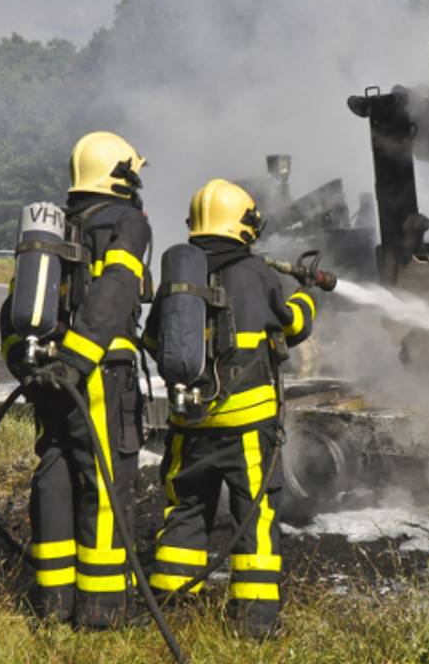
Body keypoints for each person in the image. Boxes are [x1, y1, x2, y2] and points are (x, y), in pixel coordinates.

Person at [143, 178, 318, 639]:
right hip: (246, 429)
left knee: (185, 508)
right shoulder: (258, 273)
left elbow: (152, 340)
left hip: (189, 424)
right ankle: (255, 621)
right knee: (253, 517)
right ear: (242, 224)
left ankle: (173, 605)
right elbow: (294, 325)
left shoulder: (178, 276)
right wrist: (306, 296)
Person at [0, 131, 152, 628]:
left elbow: (14, 308)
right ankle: (102, 614)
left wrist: (33, 368)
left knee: (55, 477)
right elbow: (116, 291)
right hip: (98, 376)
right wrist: (77, 364)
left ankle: (54, 603)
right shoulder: (126, 221)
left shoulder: (54, 226)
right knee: (105, 487)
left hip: (49, 376)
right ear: (121, 174)